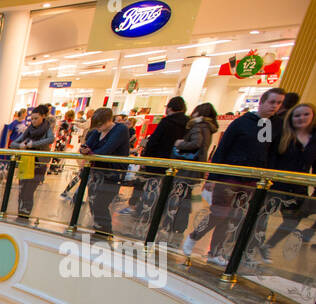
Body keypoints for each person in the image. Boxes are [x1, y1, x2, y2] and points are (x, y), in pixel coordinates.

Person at [183, 87, 286, 264]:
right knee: (220, 213)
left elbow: (271, 153)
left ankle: (215, 252)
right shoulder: (242, 123)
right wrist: (213, 178)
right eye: (272, 102)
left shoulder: (274, 126)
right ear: (262, 102)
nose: (275, 106)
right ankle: (195, 236)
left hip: (252, 179)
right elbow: (222, 150)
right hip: (230, 176)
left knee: (233, 216)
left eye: (278, 103)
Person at [262, 101, 316, 254]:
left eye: (306, 114)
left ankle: (268, 246)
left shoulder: (313, 140)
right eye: (297, 115)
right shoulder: (282, 135)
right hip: (274, 185)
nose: (301, 118)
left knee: (292, 220)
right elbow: (270, 158)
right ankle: (250, 246)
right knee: (261, 217)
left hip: (298, 187)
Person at [120, 96, 187, 218]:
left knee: (147, 185)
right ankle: (158, 214)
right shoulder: (188, 124)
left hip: (156, 161)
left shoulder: (167, 122)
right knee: (166, 189)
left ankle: (140, 209)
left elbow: (154, 142)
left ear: (170, 108)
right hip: (175, 163)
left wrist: (146, 158)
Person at [166, 104, 219, 238]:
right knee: (186, 198)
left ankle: (171, 224)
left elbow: (196, 143)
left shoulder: (198, 126)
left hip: (188, 168)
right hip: (196, 167)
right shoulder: (207, 128)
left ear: (197, 112)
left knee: (178, 195)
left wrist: (179, 144)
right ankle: (179, 226)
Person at [79, 107, 130, 237]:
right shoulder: (97, 132)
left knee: (100, 203)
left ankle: (105, 232)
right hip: (96, 174)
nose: (98, 128)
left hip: (112, 174)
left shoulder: (120, 130)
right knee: (93, 201)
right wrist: (85, 150)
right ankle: (99, 230)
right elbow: (87, 146)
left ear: (108, 120)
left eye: (100, 125)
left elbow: (106, 150)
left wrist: (90, 152)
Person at [11, 104, 55, 218]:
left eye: (36, 118)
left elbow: (51, 139)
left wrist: (33, 144)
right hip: (26, 164)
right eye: (32, 119)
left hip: (38, 165)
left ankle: (25, 214)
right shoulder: (29, 129)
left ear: (43, 117)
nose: (33, 121)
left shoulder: (47, 129)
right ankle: (20, 212)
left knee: (29, 191)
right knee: (22, 190)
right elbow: (13, 143)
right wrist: (20, 145)